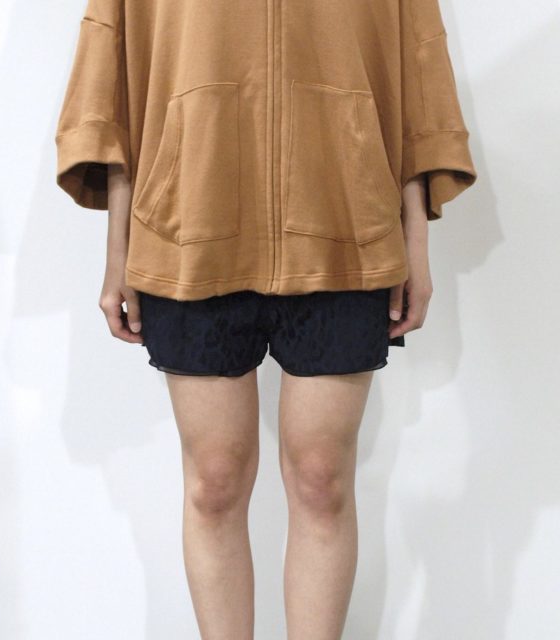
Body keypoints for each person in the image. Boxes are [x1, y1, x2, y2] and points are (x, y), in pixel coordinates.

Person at [55, 0, 477, 636]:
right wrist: (120, 250)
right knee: (215, 482)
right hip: (190, 221)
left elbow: (414, 61)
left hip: (346, 221)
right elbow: (114, 65)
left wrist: (415, 238)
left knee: (321, 478)